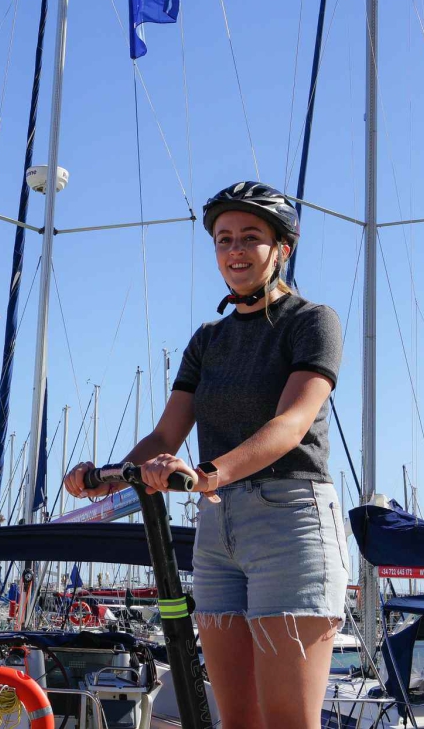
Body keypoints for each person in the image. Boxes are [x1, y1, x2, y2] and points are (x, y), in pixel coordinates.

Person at [64, 180, 348, 728]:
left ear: (281, 249)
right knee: (235, 717)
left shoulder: (312, 322)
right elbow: (165, 436)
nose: (235, 250)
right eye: (223, 239)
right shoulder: (208, 340)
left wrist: (206, 474)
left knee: (288, 718)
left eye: (250, 237)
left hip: (290, 520)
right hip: (219, 526)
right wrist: (108, 478)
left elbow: (291, 423)